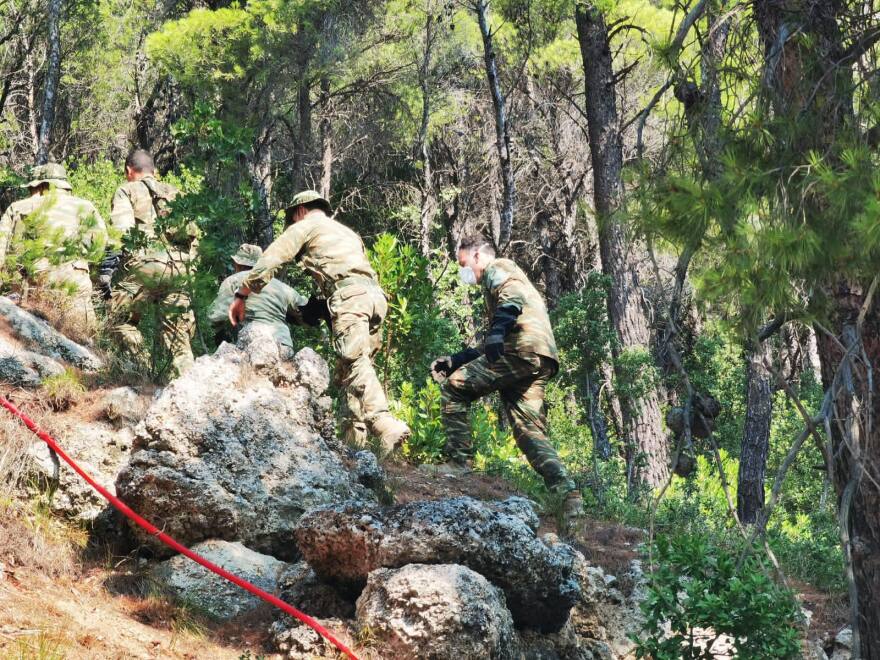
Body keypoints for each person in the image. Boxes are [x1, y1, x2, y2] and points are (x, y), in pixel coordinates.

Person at [228, 190, 410, 455]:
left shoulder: (306, 225)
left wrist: (242, 293)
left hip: (350, 297)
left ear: (300, 211)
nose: (293, 222)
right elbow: (351, 272)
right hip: (374, 298)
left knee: (354, 361)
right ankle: (355, 447)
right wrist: (324, 308)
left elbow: (272, 258)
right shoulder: (347, 233)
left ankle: (383, 423)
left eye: (292, 218)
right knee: (352, 371)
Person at [431, 234, 583, 526]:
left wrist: (499, 331)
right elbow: (492, 344)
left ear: (477, 255)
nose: (465, 271)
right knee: (529, 431)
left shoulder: (498, 268)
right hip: (539, 356)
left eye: (464, 264)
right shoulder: (502, 293)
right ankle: (568, 496)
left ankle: (458, 463)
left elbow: (511, 301)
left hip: (521, 349)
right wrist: (455, 361)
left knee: (455, 388)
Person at [102, 149, 198, 377]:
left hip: (145, 268)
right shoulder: (176, 193)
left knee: (119, 319)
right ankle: (188, 387)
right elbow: (194, 240)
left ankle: (143, 373)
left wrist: (107, 270)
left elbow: (121, 232)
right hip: (179, 270)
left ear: (128, 170)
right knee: (178, 336)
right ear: (154, 171)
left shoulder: (127, 190)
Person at [0, 163, 107, 332]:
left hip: (35, 283)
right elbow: (99, 247)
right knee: (82, 341)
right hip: (76, 282)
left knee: (37, 343)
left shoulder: (19, 207)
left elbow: (3, 252)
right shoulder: (86, 207)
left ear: (42, 185)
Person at [209, 243, 310, 352]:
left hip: (254, 343)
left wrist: (220, 339)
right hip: (283, 345)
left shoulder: (233, 281)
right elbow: (307, 313)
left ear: (237, 264)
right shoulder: (280, 286)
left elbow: (216, 317)